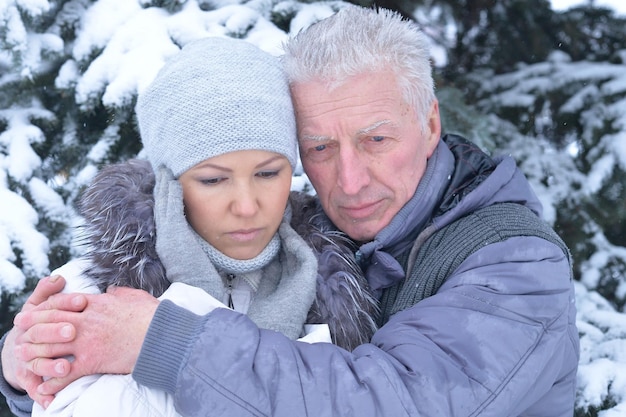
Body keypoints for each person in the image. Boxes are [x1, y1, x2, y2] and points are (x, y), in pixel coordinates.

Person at [1, 5, 579, 416]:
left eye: (376, 140)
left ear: (430, 125)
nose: (350, 181)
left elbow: (396, 401)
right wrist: (35, 361)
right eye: (320, 149)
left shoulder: (515, 264)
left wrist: (167, 343)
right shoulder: (310, 240)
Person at [1, 35, 377, 416]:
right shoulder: (94, 294)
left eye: (267, 173)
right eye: (213, 180)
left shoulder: (343, 287)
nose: (247, 207)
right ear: (170, 183)